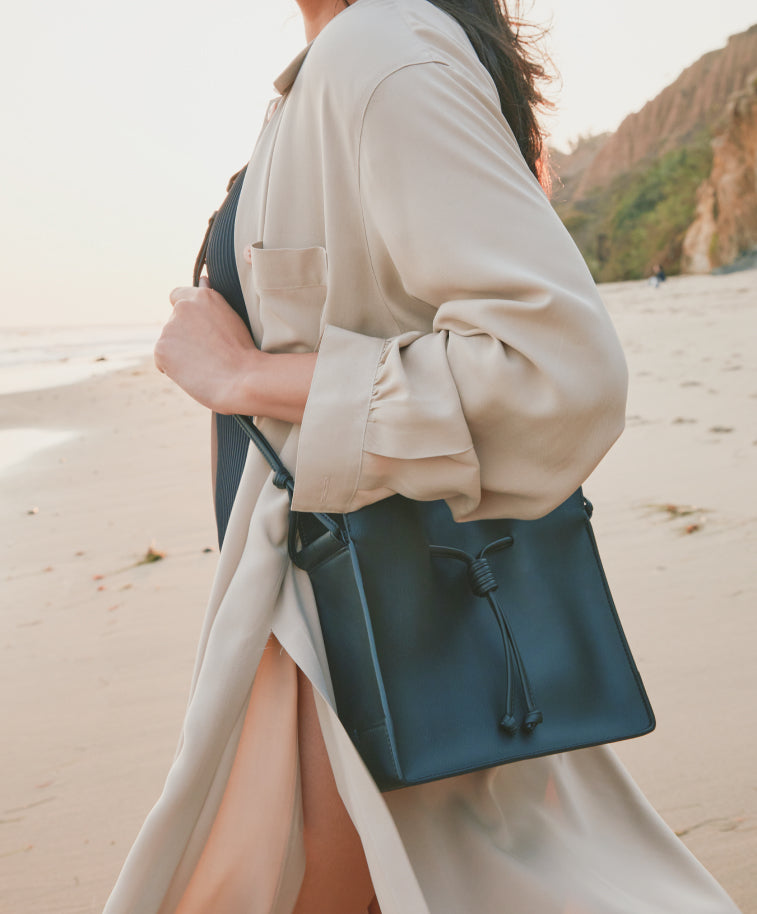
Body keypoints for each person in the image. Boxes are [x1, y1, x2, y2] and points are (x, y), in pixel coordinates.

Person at [104, 1, 741, 912]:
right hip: (334, 608)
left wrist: (241, 376)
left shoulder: (384, 50)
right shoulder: (336, 64)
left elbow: (555, 370)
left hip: (365, 623)